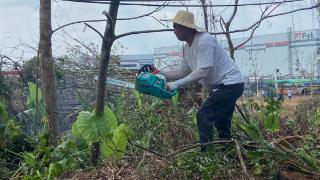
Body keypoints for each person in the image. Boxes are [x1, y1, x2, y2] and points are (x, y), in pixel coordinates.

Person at [158, 10, 244, 151]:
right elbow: (182, 72)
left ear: (186, 28)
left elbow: (203, 71)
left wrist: (175, 84)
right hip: (220, 87)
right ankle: (230, 154)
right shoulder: (186, 48)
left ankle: (206, 157)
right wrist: (160, 73)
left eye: (176, 27)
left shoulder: (204, 40)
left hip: (231, 83)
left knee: (204, 115)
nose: (174, 31)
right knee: (222, 124)